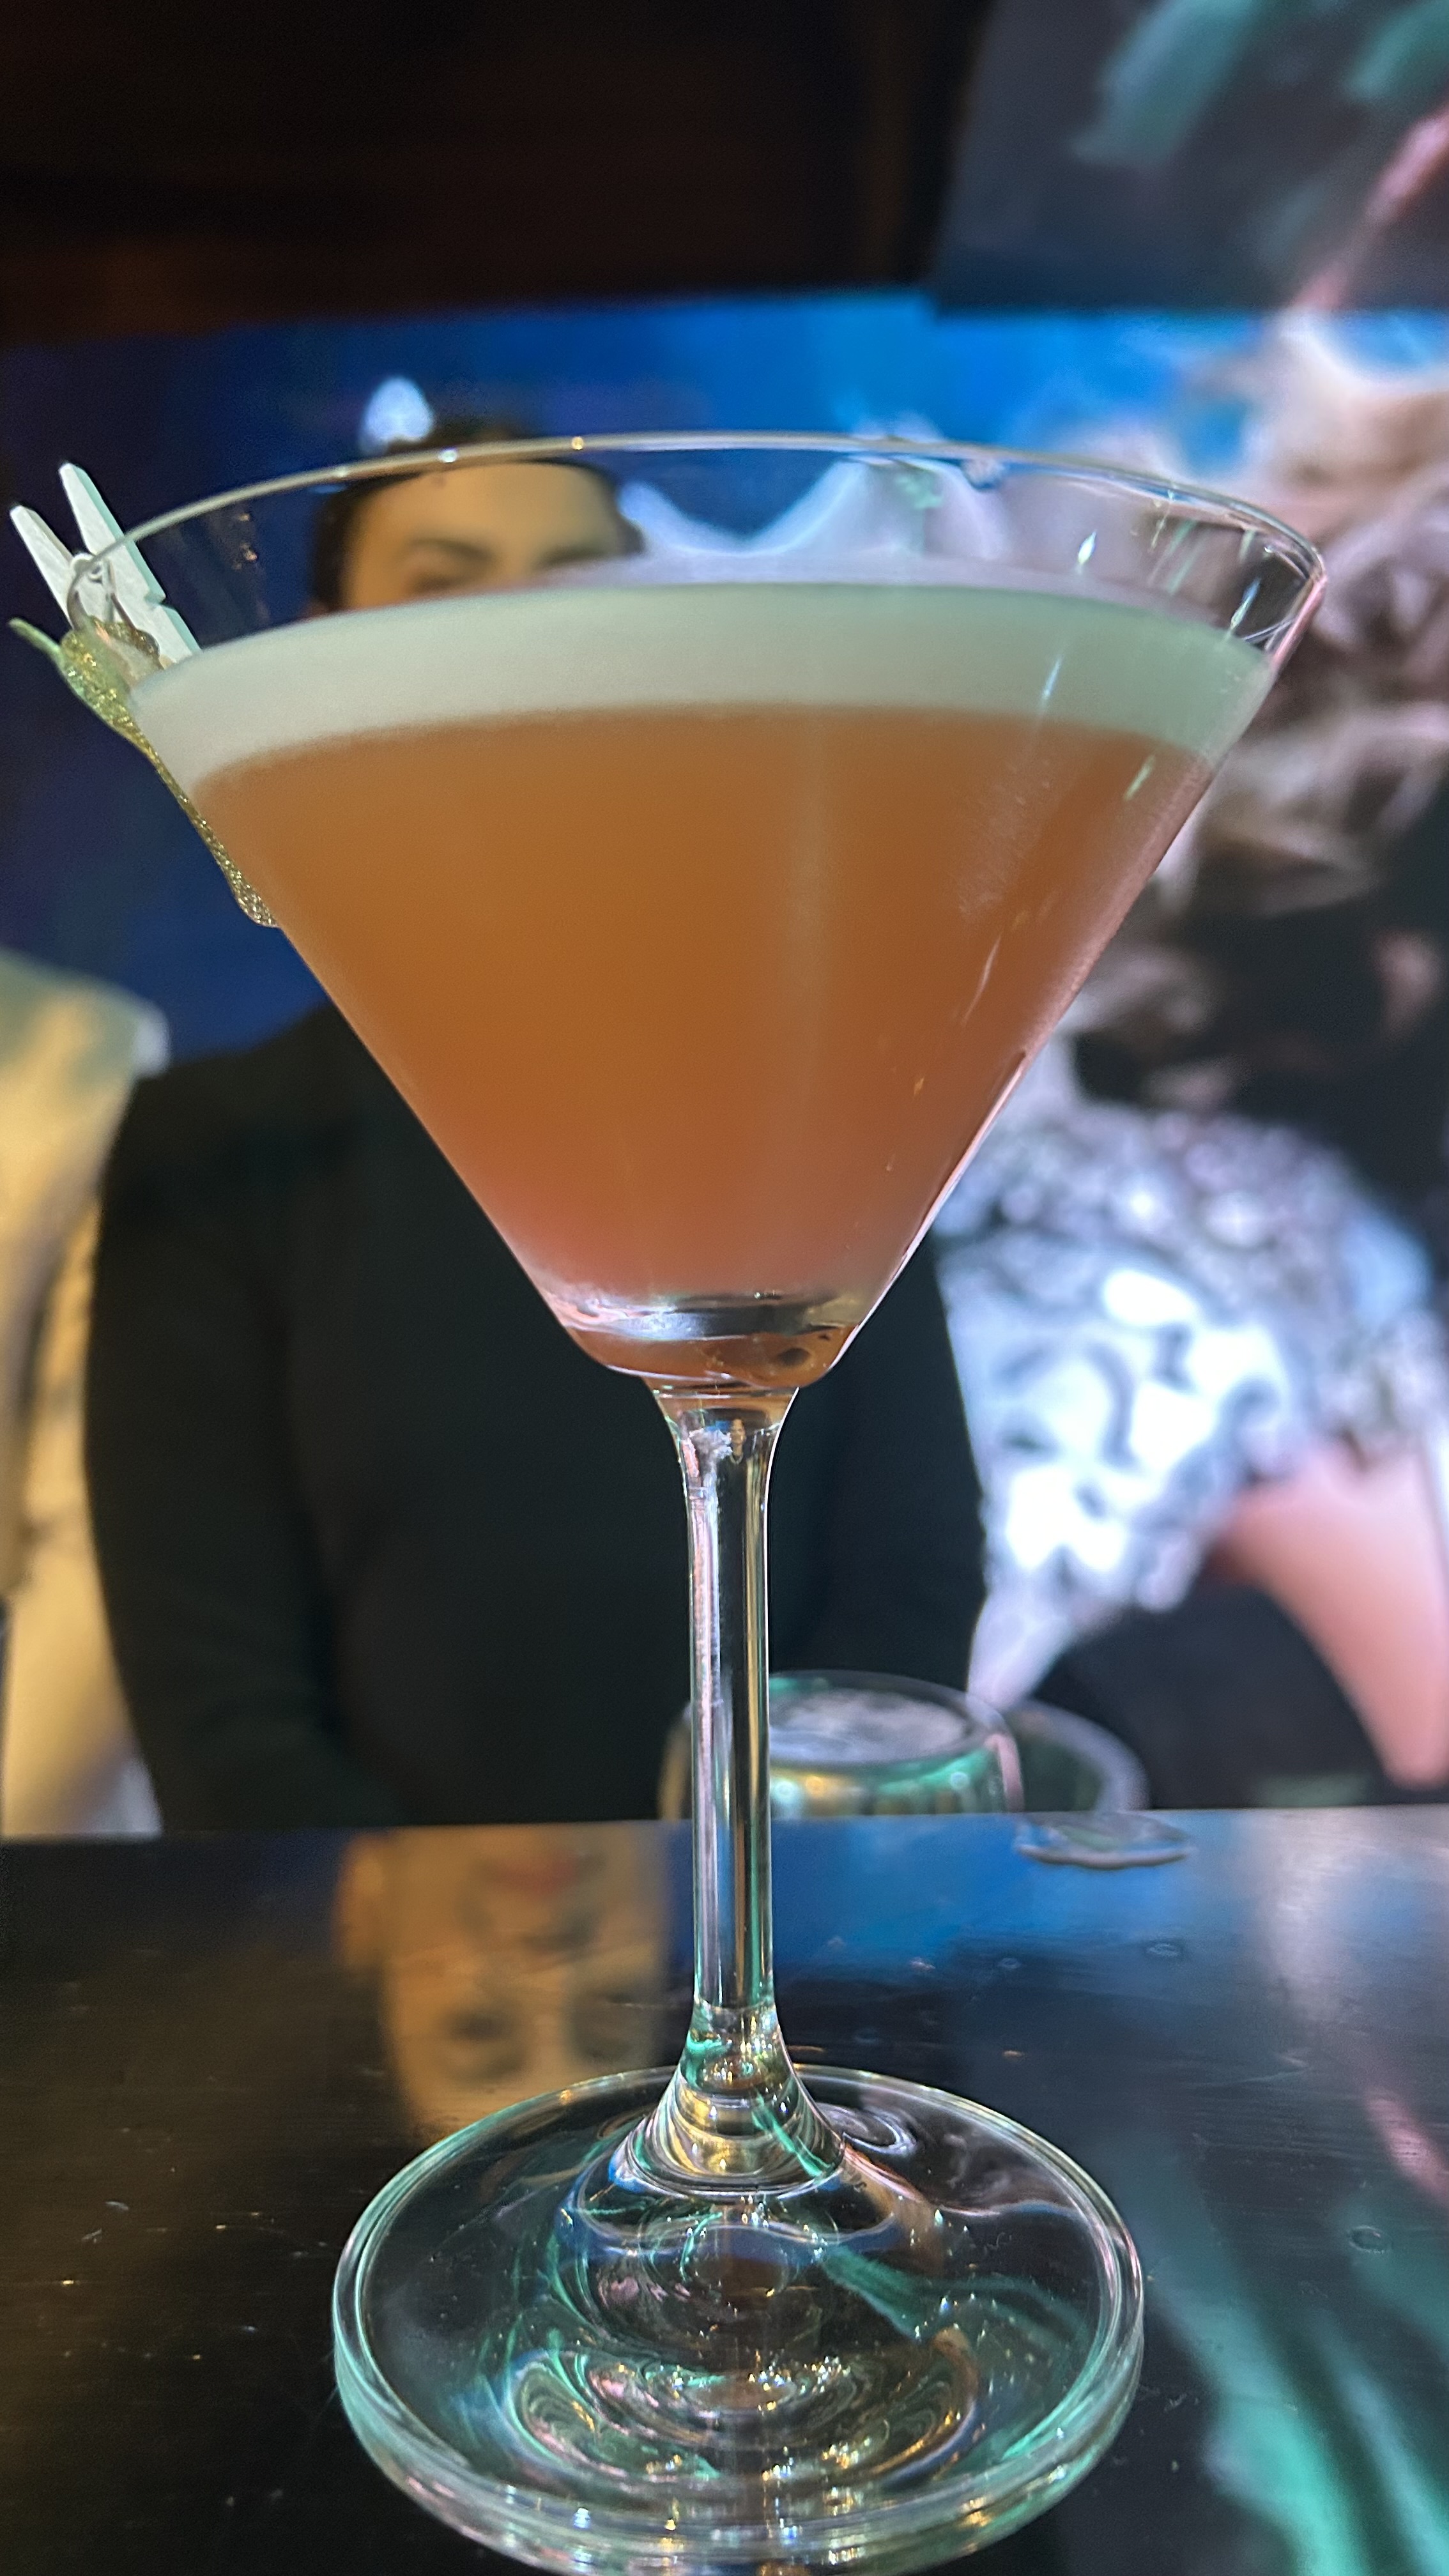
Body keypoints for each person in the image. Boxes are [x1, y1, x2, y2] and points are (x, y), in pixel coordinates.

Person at [84, 425, 983, 1830]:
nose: (516, 630)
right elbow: (211, 1697)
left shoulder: (811, 1076)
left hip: (803, 1913)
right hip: (382, 1950)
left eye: (578, 582)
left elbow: (913, 1568)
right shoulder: (217, 1141)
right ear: (314, 653)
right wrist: (434, 1939)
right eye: (445, 584)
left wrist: (773, 1877)